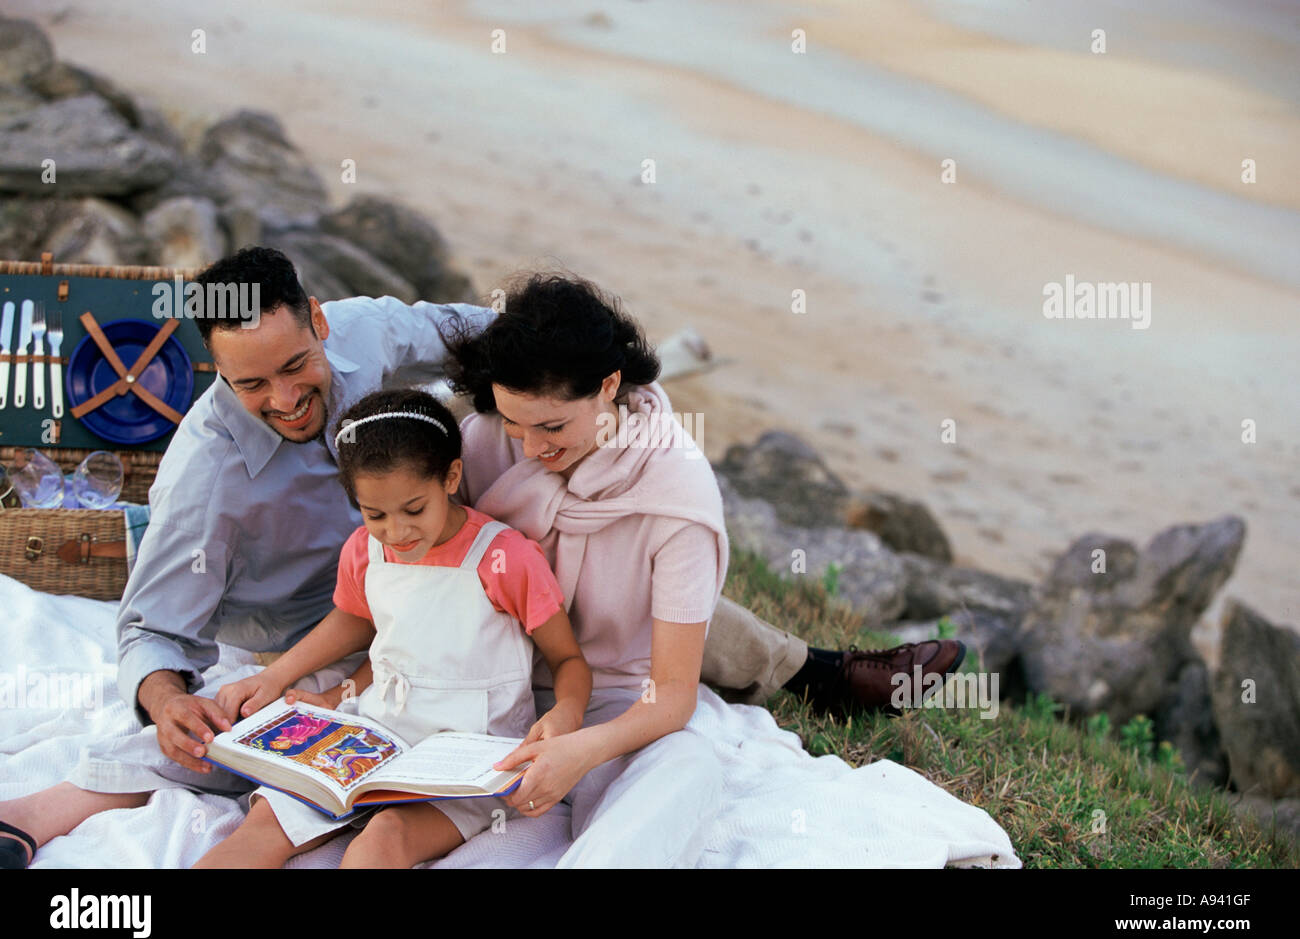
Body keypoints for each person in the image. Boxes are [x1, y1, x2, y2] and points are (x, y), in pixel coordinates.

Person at [0, 247, 959, 869]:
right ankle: (37, 814)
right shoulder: (203, 478)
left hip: (477, 576)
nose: (289, 397)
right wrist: (176, 698)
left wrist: (567, 363)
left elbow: (480, 333)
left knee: (621, 565)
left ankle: (815, 671)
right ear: (217, 372)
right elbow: (151, 627)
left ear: (320, 322)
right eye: (253, 383)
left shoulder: (378, 340)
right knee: (233, 736)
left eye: (298, 367)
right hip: (323, 621)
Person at [439, 272, 965, 865]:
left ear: (609, 385)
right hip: (491, 685)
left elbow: (670, 697)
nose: (530, 448)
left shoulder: (676, 492)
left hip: (618, 698)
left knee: (687, 767)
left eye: (553, 428)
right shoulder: (482, 442)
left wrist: (582, 751)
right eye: (515, 422)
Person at [192, 388, 590, 867]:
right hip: (374, 737)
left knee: (386, 834)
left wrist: (566, 714)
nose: (396, 532)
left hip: (468, 757)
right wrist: (276, 678)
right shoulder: (364, 550)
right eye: (374, 514)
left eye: (413, 510)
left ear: (451, 477)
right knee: (266, 821)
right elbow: (356, 623)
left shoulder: (504, 558)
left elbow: (567, 658)